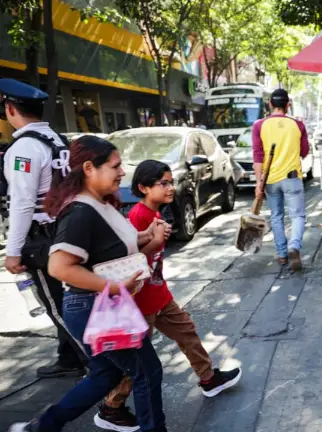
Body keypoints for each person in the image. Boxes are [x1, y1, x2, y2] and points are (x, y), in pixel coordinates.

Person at [9, 136, 167, 432]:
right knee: (147, 371)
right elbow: (59, 267)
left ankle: (41, 427)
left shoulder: (101, 204)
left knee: (105, 375)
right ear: (88, 168)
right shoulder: (80, 211)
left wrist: (147, 237)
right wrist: (116, 288)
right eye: (115, 166)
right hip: (94, 307)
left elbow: (114, 253)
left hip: (99, 306)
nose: (122, 172)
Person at [97, 160, 243, 429]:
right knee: (140, 364)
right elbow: (132, 262)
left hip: (159, 294)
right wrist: (154, 241)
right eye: (163, 183)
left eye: (171, 182)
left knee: (187, 331)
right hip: (141, 303)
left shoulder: (157, 213)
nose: (170, 188)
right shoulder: (138, 217)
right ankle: (111, 406)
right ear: (143, 187)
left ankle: (208, 377)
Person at [0, 78, 89, 379]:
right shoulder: (58, 140)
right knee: (70, 299)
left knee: (57, 306)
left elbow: (23, 203)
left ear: (10, 109)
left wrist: (12, 252)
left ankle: (97, 363)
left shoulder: (24, 147)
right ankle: (69, 358)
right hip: (68, 229)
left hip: (44, 238)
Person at [252, 89, 310, 271]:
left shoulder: (259, 125)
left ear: (270, 104)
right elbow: (304, 152)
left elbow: (258, 157)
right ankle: (294, 246)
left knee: (277, 217)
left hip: (270, 179)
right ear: (288, 105)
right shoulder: (298, 125)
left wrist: (258, 183)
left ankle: (282, 255)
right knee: (297, 215)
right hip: (292, 178)